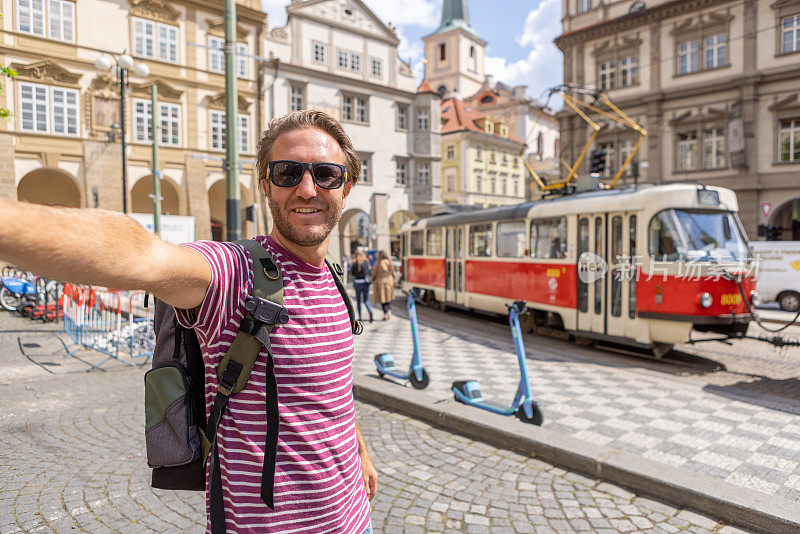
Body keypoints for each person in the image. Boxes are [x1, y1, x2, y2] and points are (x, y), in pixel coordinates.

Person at [0, 110, 377, 534]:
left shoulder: (333, 278)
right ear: (267, 184)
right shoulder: (238, 273)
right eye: (288, 172)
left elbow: (330, 392)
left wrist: (360, 451)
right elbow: (143, 255)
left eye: (325, 173)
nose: (307, 188)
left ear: (347, 185)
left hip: (353, 518)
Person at [371, 251, 396, 321]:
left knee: (383, 298)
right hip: (390, 280)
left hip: (381, 281)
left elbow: (374, 273)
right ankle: (389, 312)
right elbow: (393, 272)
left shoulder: (378, 263)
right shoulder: (390, 262)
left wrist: (372, 279)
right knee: (389, 297)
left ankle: (385, 314)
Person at [350, 250, 374, 323]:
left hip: (357, 283)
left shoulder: (354, 263)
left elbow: (352, 273)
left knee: (358, 301)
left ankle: (360, 317)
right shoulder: (366, 262)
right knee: (366, 300)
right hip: (365, 283)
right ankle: (370, 311)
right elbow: (369, 273)